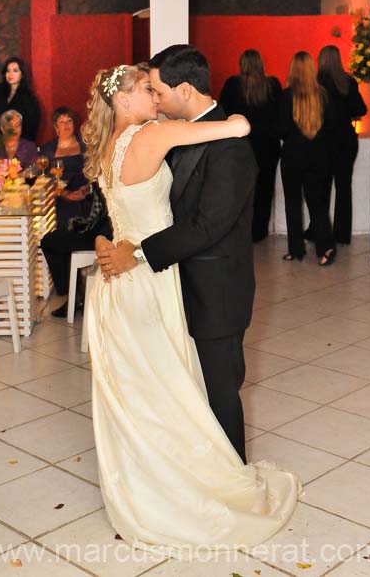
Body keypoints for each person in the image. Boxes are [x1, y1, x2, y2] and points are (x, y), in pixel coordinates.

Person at [90, 55, 298, 554]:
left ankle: (208, 477)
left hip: (167, 280)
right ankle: (196, 487)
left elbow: (206, 224)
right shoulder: (155, 135)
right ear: (123, 99)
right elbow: (236, 125)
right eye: (146, 89)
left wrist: (120, 247)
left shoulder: (122, 143)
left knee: (174, 388)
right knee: (168, 388)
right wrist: (121, 246)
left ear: (182, 89)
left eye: (157, 89)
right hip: (151, 280)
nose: (155, 99)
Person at [303, 45, 367, 245]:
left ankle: (318, 230)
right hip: (345, 141)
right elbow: (361, 109)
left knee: (321, 188)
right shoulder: (348, 81)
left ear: (320, 60)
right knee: (343, 187)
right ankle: (342, 234)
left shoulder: (314, 83)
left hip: (321, 141)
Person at [278, 51, 336, 266]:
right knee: (317, 203)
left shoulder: (286, 96)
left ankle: (295, 250)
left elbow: (280, 129)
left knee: (292, 204)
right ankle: (326, 248)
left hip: (292, 156)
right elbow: (331, 128)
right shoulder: (322, 94)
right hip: (318, 156)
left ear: (293, 70)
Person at [220, 49, 282, 241]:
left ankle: (241, 230)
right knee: (265, 188)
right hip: (269, 145)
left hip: (241, 145)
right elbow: (280, 114)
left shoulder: (233, 85)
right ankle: (259, 230)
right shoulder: (272, 84)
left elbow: (223, 115)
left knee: (240, 189)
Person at [41, 181, 112, 318]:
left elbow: (97, 214)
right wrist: (88, 190)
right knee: (57, 238)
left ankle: (72, 293)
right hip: (102, 230)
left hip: (103, 235)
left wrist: (78, 226)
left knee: (49, 241)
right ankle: (73, 291)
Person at [42, 106, 90, 230]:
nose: (66, 124)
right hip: (59, 196)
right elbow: (45, 180)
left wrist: (85, 190)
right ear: (56, 127)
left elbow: (94, 172)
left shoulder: (85, 145)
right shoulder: (48, 149)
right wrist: (65, 193)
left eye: (69, 121)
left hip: (85, 193)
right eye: (61, 122)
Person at [0, 56, 40, 142]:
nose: (10, 74)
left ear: (22, 74)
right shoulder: (0, 94)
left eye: (15, 71)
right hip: (1, 141)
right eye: (8, 71)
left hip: (20, 143)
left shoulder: (28, 98)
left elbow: (31, 126)